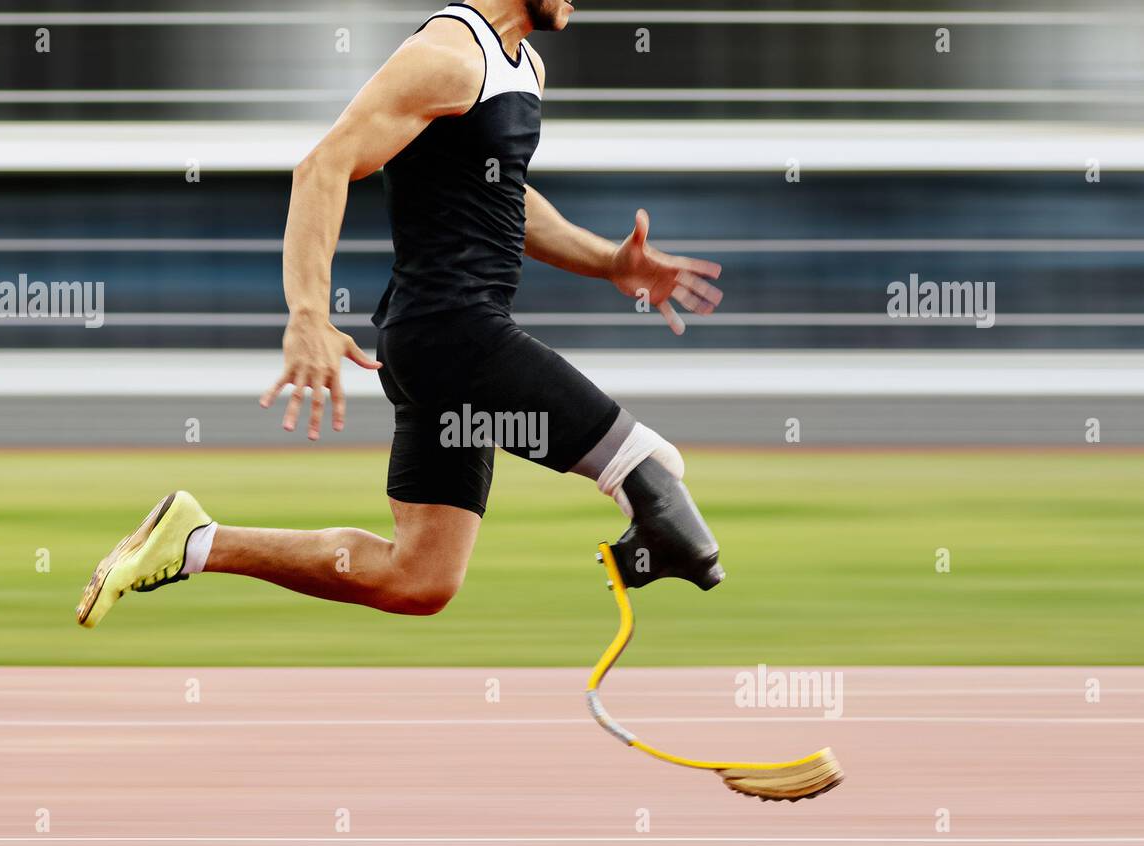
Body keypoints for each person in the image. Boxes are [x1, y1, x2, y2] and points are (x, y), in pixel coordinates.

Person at [77, 0, 724, 629]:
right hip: (456, 336)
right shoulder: (446, 54)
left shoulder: (524, 66)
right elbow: (322, 166)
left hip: (441, 345)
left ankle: (194, 542)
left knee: (419, 578)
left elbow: (503, 196)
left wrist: (610, 262)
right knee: (652, 468)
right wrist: (307, 313)